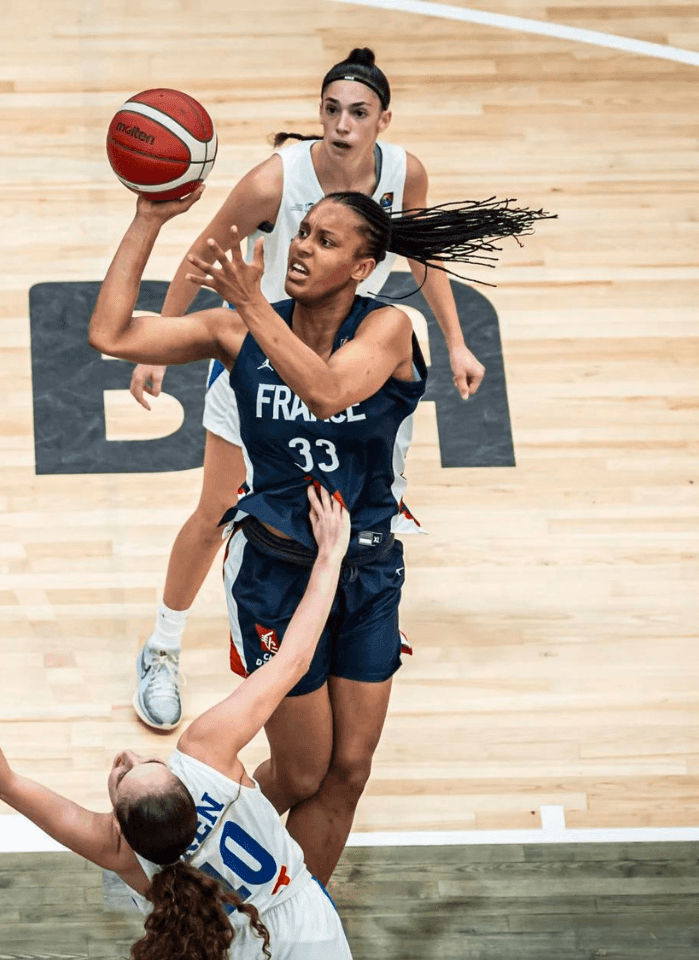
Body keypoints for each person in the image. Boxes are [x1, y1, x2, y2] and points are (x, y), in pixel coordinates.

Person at [88, 181, 548, 886]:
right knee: (302, 771)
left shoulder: (388, 329)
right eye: (302, 232)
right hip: (274, 573)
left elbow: (327, 389)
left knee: (349, 770)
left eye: (325, 240)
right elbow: (111, 334)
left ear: (362, 268)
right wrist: (147, 218)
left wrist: (246, 305)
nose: (302, 246)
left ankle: (300, 913)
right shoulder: (236, 330)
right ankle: (187, 863)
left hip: (364, 569)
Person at [125, 47, 484, 732]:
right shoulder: (275, 180)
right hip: (262, 361)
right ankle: (163, 648)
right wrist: (163, 344)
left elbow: (421, 255)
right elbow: (201, 254)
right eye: (330, 110)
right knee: (217, 510)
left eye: (357, 113)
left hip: (351, 373)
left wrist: (457, 339)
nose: (342, 125)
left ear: (383, 119)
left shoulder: (404, 172)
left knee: (353, 515)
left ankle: (338, 640)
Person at [0, 485, 366, 960]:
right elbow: (293, 658)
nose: (127, 755)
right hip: (308, 944)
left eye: (129, 767)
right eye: (141, 762)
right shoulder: (207, 751)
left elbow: (2, 780)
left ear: (120, 823)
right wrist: (331, 555)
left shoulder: (116, 849)